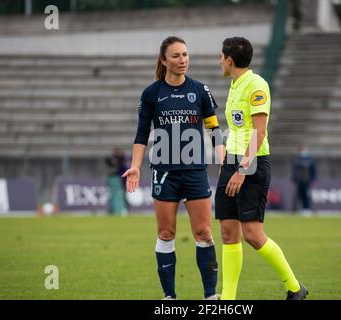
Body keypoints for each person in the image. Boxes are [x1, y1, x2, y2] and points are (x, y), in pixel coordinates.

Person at [122, 36, 222, 300]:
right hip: (164, 172)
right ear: (164, 60)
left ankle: (210, 296)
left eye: (186, 55)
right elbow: (142, 134)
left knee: (203, 232)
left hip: (195, 171)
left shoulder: (201, 90)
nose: (182, 60)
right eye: (176, 56)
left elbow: (213, 128)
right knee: (166, 233)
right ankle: (169, 297)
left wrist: (224, 158)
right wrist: (135, 167)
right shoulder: (151, 93)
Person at [215, 37, 308, 300]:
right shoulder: (235, 84)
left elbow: (259, 132)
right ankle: (228, 299)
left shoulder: (257, 85)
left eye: (221, 57)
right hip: (231, 161)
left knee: (253, 235)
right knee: (228, 231)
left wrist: (242, 169)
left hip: (251, 164)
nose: (219, 61)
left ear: (229, 60)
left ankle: (295, 287)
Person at [291, 146, 317, 215]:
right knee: (298, 196)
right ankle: (297, 209)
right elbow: (294, 171)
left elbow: (313, 172)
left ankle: (307, 209)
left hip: (306, 181)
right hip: (299, 181)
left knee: (306, 196)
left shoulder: (310, 160)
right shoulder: (297, 160)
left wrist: (312, 179)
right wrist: (294, 179)